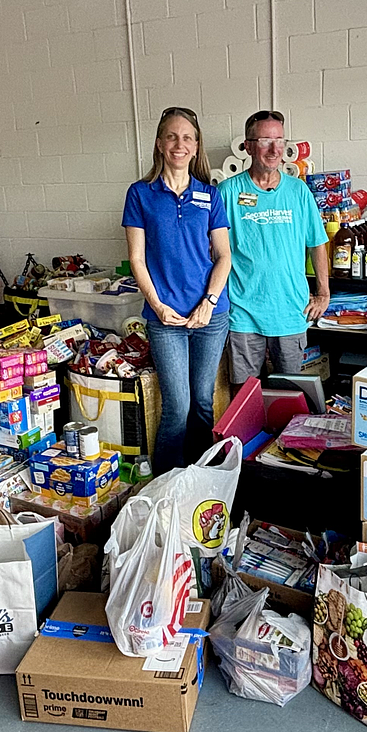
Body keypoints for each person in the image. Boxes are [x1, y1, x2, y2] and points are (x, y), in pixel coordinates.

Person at [122, 107, 232, 474]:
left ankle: (199, 477)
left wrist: (209, 302)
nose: (179, 144)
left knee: (202, 400)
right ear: (159, 143)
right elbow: (137, 258)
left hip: (211, 315)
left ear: (197, 146)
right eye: (171, 136)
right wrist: (156, 304)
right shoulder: (140, 194)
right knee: (177, 404)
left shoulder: (210, 195)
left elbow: (224, 256)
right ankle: (165, 482)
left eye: (187, 137)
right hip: (164, 316)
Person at [218, 110, 330, 387]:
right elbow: (214, 253)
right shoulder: (227, 192)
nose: (274, 149)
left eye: (280, 140)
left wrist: (324, 293)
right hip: (242, 311)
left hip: (291, 310)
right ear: (248, 146)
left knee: (290, 393)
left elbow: (317, 243)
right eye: (265, 140)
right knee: (245, 397)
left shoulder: (298, 191)